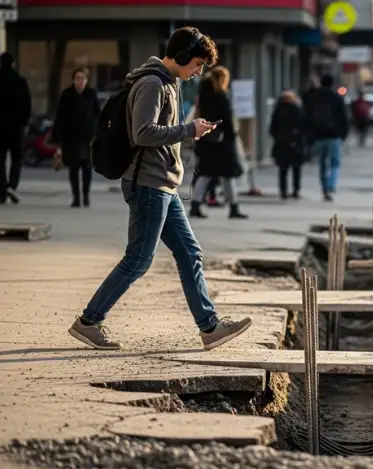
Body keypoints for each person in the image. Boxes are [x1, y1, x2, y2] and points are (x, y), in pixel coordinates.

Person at [67, 26, 252, 351]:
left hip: (163, 183)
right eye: (197, 64)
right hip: (148, 184)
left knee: (189, 252)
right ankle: (88, 322)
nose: (198, 72)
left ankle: (209, 328)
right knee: (138, 259)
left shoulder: (169, 82)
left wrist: (188, 132)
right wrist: (187, 130)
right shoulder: (153, 84)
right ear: (181, 56)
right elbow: (143, 133)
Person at [189, 65, 247, 219]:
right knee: (229, 176)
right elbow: (227, 120)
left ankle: (195, 205)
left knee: (205, 174)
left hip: (206, 140)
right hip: (223, 142)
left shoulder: (203, 95)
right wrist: (233, 133)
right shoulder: (221, 96)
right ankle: (234, 207)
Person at [51, 67, 101, 207]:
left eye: (82, 78)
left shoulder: (91, 93)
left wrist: (98, 131)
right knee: (73, 169)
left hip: (87, 137)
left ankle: (86, 196)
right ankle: (76, 197)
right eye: (77, 78)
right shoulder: (67, 94)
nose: (80, 81)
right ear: (73, 80)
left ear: (86, 80)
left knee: (87, 168)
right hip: (71, 137)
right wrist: (57, 138)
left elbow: (98, 114)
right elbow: (60, 116)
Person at [306, 74, 348, 202]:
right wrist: (343, 134)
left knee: (322, 164)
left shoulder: (313, 97)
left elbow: (307, 117)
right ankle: (331, 184)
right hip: (333, 135)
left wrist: (309, 136)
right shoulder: (337, 98)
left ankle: (324, 187)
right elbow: (343, 117)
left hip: (318, 136)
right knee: (335, 162)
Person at [0, 52, 32, 204]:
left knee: (0, 160)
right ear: (13, 64)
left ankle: (2, 190)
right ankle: (12, 185)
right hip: (16, 127)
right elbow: (27, 105)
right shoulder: (20, 81)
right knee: (17, 158)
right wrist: (24, 122)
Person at [270, 90, 306, 200]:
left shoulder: (277, 110)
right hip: (295, 143)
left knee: (283, 169)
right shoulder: (297, 109)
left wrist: (277, 137)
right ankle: (296, 190)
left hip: (281, 143)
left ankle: (283, 190)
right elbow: (303, 126)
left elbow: (272, 128)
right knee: (296, 169)